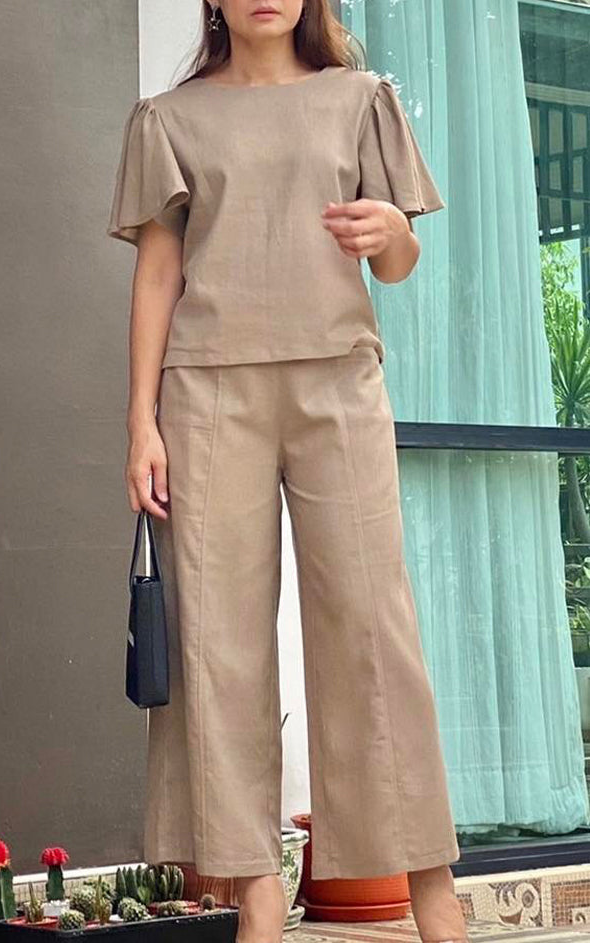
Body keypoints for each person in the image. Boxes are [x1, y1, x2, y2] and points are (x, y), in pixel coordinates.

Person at [106, 2, 469, 942]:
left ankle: (433, 892)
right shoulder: (170, 118)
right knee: (217, 642)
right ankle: (255, 890)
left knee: (373, 629)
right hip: (206, 393)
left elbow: (399, 262)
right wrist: (141, 422)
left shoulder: (361, 99)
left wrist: (391, 231)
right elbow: (158, 272)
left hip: (338, 381)